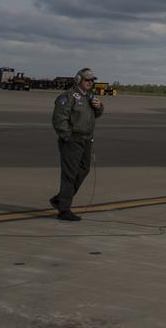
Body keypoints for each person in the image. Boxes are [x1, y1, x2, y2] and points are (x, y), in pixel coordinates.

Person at [50, 67, 104, 221]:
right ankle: (64, 210)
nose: (90, 83)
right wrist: (68, 136)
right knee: (70, 175)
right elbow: (59, 119)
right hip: (73, 140)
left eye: (92, 80)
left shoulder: (89, 96)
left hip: (86, 139)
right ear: (79, 80)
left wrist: (99, 106)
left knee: (84, 169)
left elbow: (97, 114)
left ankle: (60, 199)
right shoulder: (68, 96)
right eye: (87, 80)